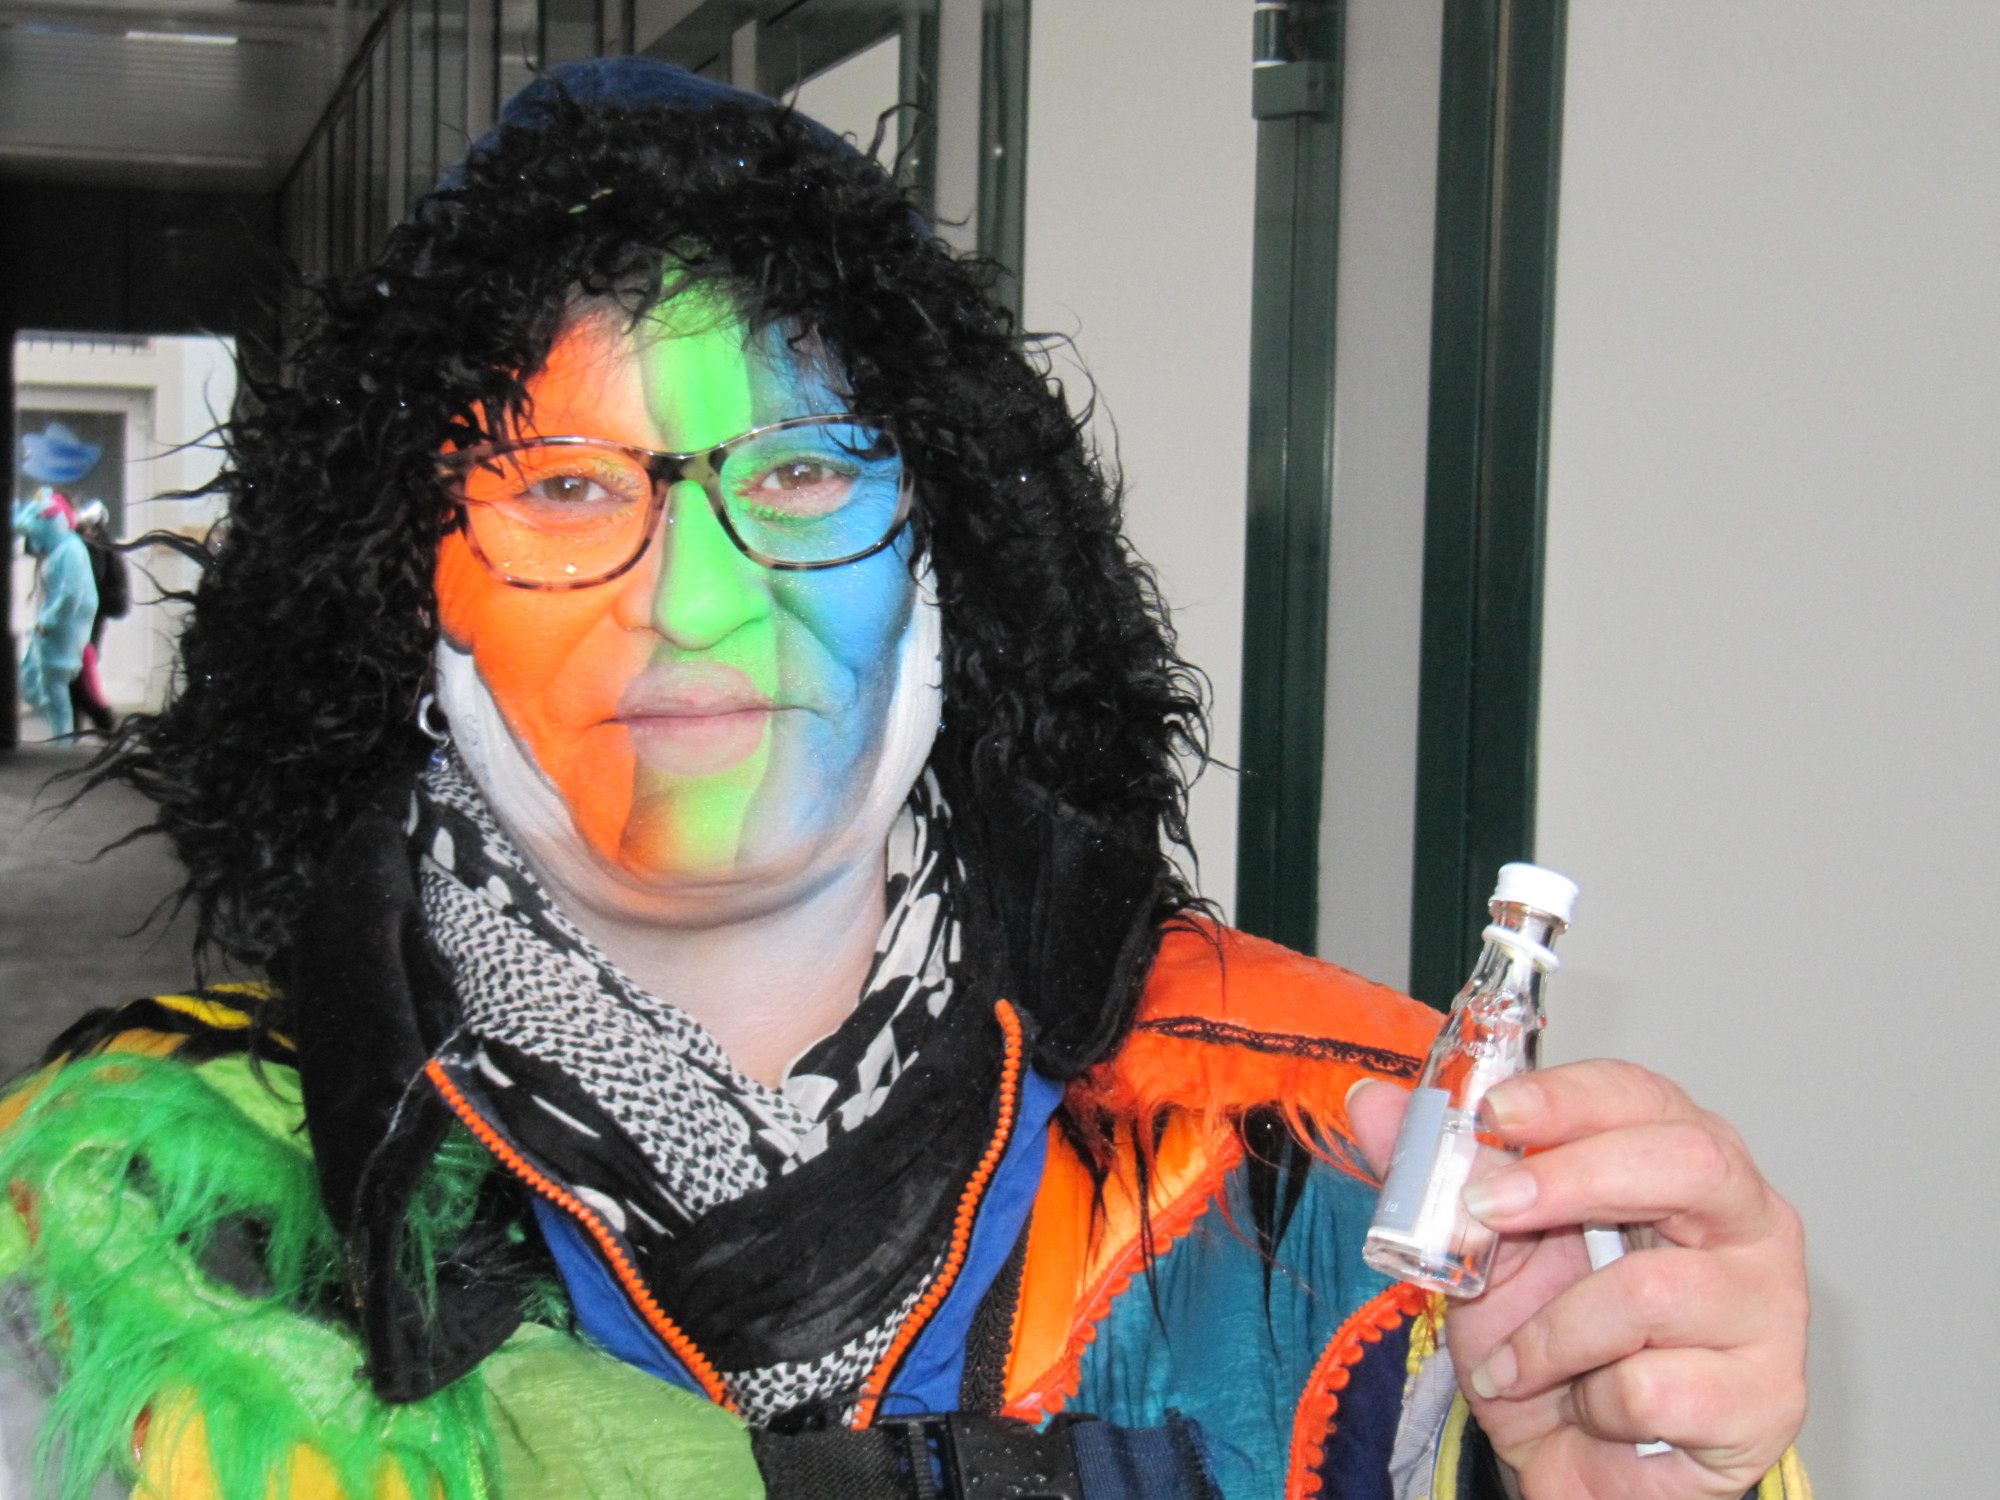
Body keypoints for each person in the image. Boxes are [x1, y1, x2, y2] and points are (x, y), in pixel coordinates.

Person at [0, 60, 1808, 1500]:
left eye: (797, 476)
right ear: (412, 599)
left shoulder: (1352, 1158)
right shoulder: (137, 1220)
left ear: (949, 557)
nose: (695, 605)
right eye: (564, 488)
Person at [10, 488, 97, 741]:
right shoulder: (58, 549)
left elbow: (71, 594)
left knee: (53, 684)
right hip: (50, 628)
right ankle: (61, 733)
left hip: (61, 630)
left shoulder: (69, 551)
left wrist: (50, 620)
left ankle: (63, 738)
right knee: (30, 681)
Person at [65, 500, 130, 737]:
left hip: (90, 615)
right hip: (93, 614)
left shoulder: (95, 547)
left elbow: (94, 579)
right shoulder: (99, 544)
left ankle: (100, 718)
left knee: (76, 668)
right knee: (77, 669)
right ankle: (88, 721)